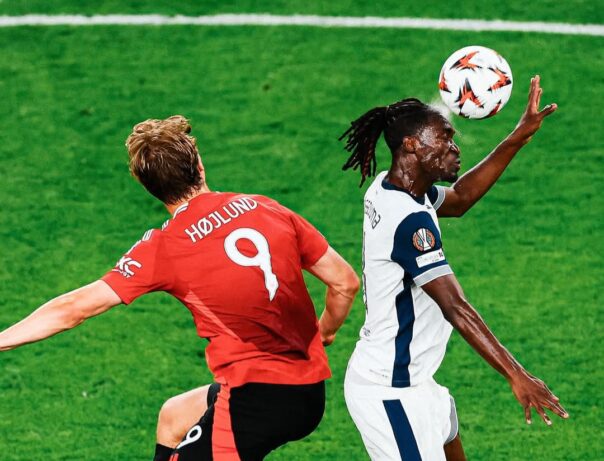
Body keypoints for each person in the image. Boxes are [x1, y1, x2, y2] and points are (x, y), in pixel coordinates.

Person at [0, 115, 360, 461]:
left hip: (256, 399)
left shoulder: (165, 247)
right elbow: (344, 282)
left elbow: (73, 309)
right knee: (174, 417)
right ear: (199, 166)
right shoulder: (265, 207)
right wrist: (324, 332)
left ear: (150, 189)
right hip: (308, 391)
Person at [339, 76, 568, 461]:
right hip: (390, 392)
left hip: (417, 382)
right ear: (411, 145)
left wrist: (517, 136)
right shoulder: (409, 222)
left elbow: (460, 197)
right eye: (444, 138)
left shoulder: (391, 188)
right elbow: (456, 307)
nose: (455, 148)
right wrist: (516, 375)